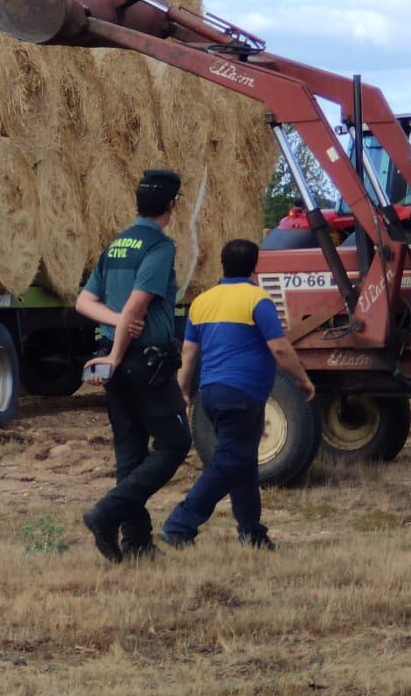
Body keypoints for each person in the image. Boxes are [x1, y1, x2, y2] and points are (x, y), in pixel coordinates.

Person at [160, 239, 315, 551]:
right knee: (229, 462)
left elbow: (188, 355)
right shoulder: (257, 299)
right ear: (255, 266)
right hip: (242, 393)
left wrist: (185, 393)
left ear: (222, 263)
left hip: (212, 393)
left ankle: (252, 532)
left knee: (242, 462)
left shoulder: (202, 301)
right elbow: (279, 347)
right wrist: (303, 379)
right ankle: (179, 525)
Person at [76, 169, 190, 563]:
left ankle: (136, 542)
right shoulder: (159, 246)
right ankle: (106, 513)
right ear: (172, 205)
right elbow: (137, 305)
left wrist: (112, 327)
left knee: (130, 451)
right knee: (176, 443)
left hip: (119, 361)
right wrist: (117, 351)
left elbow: (84, 302)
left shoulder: (117, 245)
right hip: (143, 361)